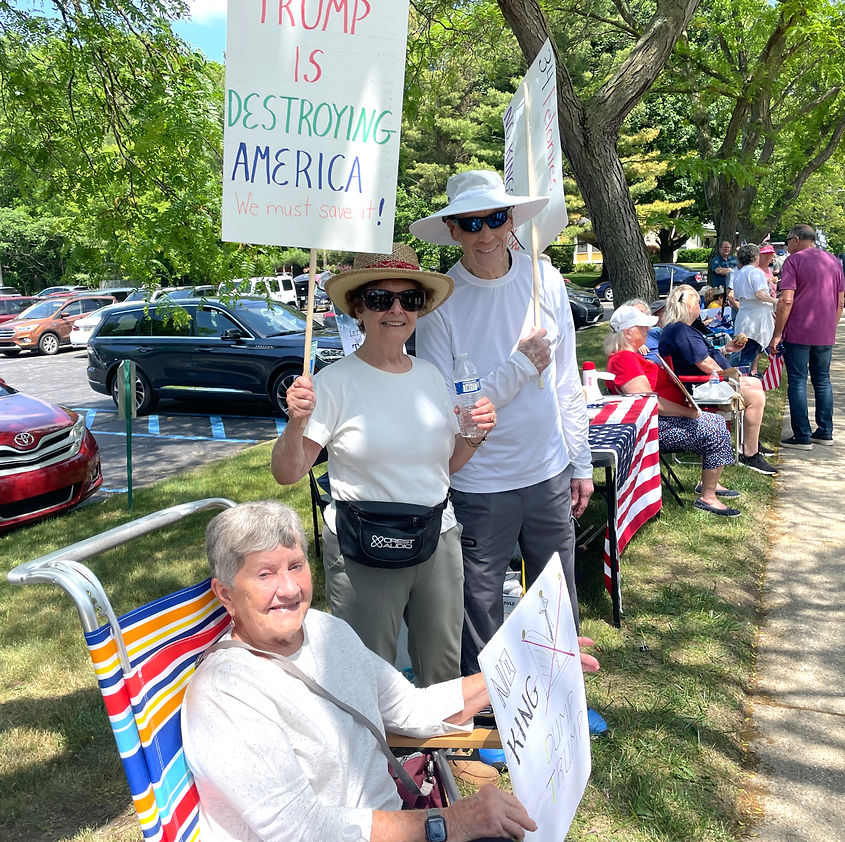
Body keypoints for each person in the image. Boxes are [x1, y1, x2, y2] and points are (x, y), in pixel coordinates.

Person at [182, 500, 601, 842]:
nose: (289, 589)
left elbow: (411, 709)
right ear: (226, 594)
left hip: (395, 823)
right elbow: (301, 829)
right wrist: (449, 823)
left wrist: (519, 668)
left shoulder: (326, 631)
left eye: (295, 566)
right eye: (265, 574)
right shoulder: (225, 694)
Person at [270, 244, 496, 689]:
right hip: (364, 545)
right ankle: (379, 757)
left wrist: (474, 436)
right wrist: (295, 425)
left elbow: (446, 466)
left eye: (409, 299)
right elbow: (288, 472)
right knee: (370, 672)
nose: (396, 310)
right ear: (358, 308)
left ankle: (448, 756)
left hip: (438, 535)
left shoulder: (432, 376)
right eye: (380, 299)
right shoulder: (334, 382)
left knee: (442, 667)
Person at [409, 170, 593, 676]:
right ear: (451, 230)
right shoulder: (439, 304)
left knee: (555, 592)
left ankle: (559, 697)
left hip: (548, 469)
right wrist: (518, 366)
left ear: (512, 218)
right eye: (470, 224)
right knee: (480, 605)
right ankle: (489, 710)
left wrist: (580, 462)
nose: (486, 234)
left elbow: (567, 382)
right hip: (480, 482)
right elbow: (452, 410)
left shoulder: (545, 280)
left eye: (496, 218)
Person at [605, 305, 741, 516]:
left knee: (715, 423)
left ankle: (709, 485)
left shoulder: (632, 357)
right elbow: (648, 401)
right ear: (627, 332)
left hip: (662, 420)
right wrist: (689, 412)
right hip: (652, 428)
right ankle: (708, 496)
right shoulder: (624, 359)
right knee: (715, 428)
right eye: (642, 328)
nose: (647, 331)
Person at [658, 284, 777, 476]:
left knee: (755, 383)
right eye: (698, 301)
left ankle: (750, 443)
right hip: (699, 386)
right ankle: (750, 453)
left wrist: (727, 350)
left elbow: (705, 356)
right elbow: (706, 365)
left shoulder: (682, 329)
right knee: (754, 395)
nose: (700, 305)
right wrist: (732, 377)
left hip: (703, 382)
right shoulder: (681, 332)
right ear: (689, 306)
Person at [768, 223, 845, 449]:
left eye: (787, 241)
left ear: (795, 240)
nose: (787, 246)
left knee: (798, 381)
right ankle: (825, 431)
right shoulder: (833, 261)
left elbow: (786, 299)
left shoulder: (794, 261)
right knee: (822, 380)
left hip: (799, 331)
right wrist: (831, 325)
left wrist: (777, 334)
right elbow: (840, 301)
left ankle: (802, 435)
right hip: (825, 331)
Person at [729, 243, 777, 375]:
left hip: (744, 315)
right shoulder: (756, 272)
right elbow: (759, 294)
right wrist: (776, 301)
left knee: (746, 351)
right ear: (755, 256)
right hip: (756, 318)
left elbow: (738, 295)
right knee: (749, 354)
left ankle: (747, 377)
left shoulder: (739, 273)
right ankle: (745, 381)